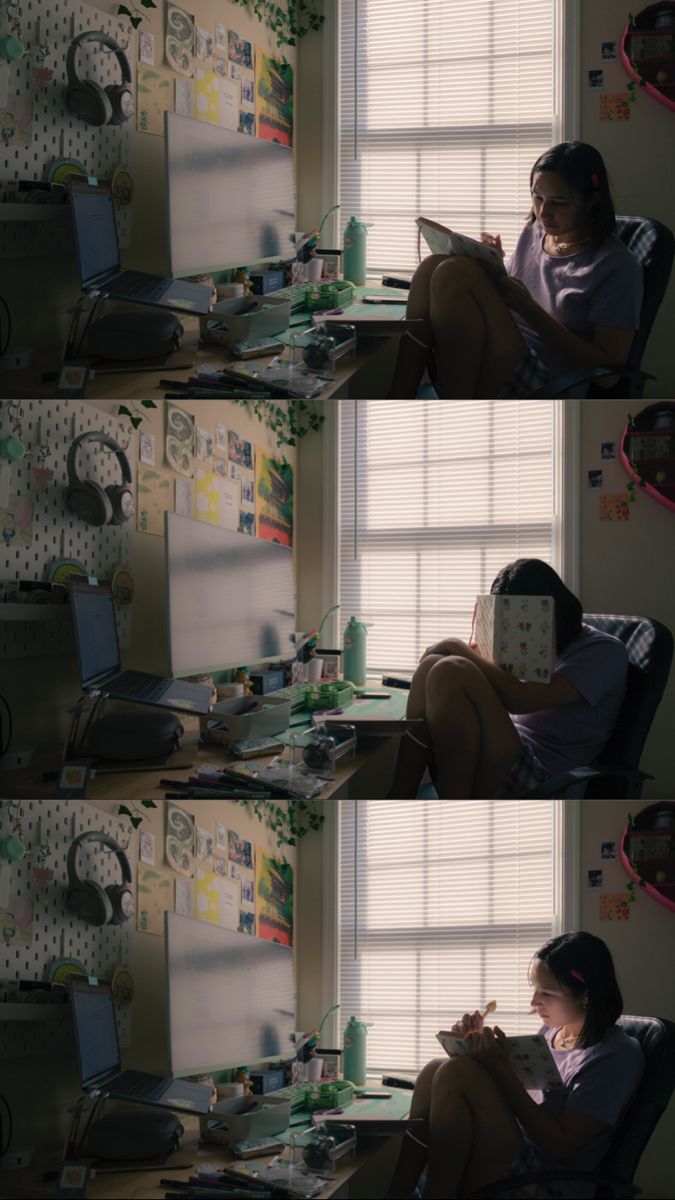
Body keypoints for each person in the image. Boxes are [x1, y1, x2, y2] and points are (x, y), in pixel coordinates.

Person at [385, 931, 645, 1200]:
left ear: (585, 995)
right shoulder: (552, 1031)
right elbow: (519, 1093)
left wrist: (498, 1069)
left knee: (456, 1072)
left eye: (547, 992)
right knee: (434, 1070)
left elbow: (560, 1146)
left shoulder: (616, 1057)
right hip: (516, 1148)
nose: (534, 1002)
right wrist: (473, 1052)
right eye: (534, 989)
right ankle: (397, 1193)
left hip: (547, 1180)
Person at [388, 141, 643, 398]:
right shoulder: (535, 232)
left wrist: (528, 309)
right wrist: (493, 264)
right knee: (432, 266)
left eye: (559, 202)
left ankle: (457, 402)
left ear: (592, 200)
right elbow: (514, 295)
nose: (544, 212)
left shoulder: (617, 267)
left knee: (453, 273)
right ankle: (399, 395)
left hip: (549, 376)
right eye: (537, 197)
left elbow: (608, 376)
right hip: (505, 344)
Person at [388, 559, 628, 799]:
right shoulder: (519, 647)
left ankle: (453, 800)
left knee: (450, 667)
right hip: (506, 746)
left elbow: (521, 700)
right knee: (432, 665)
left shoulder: (603, 651)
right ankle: (400, 794)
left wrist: (456, 646)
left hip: (545, 775)